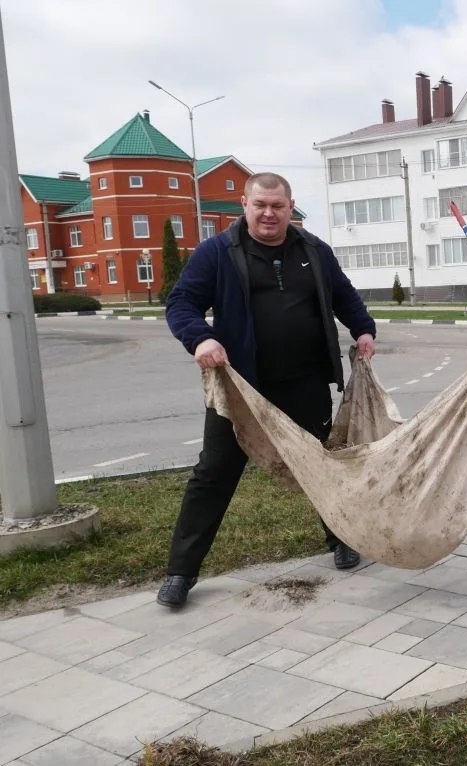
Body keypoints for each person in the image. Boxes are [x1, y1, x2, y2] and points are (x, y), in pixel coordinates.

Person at [158, 172, 376, 608]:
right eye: (260, 205)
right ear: (244, 204)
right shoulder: (216, 252)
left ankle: (340, 539)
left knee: (321, 464)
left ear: (290, 206)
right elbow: (181, 303)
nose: (269, 214)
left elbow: (343, 295)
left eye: (278, 206)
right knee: (213, 474)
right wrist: (200, 337)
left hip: (305, 383)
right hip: (240, 391)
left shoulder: (314, 250)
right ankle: (181, 572)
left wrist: (363, 329)